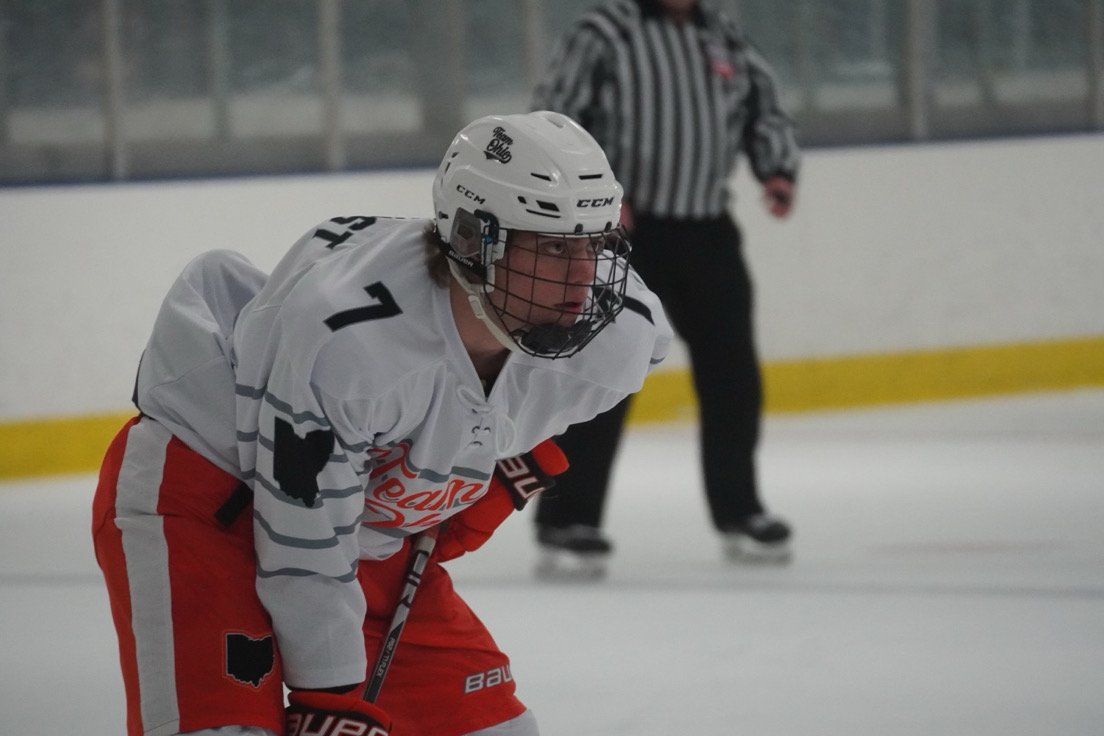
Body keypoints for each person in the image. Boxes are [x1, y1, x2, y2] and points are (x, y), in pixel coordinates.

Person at [92, 110, 671, 736]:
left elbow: (512, 401)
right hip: (207, 503)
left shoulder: (622, 332)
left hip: (352, 537)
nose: (585, 277)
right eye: (555, 246)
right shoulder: (351, 343)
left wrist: (473, 468)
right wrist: (329, 692)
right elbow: (302, 533)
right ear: (476, 242)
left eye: (594, 243)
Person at [530, 0, 800, 577]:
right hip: (627, 232)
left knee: (732, 376)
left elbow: (762, 106)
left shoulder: (721, 33)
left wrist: (775, 166)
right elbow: (557, 121)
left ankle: (740, 510)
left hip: (707, 228)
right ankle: (567, 517)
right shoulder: (605, 32)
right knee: (602, 373)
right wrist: (595, 195)